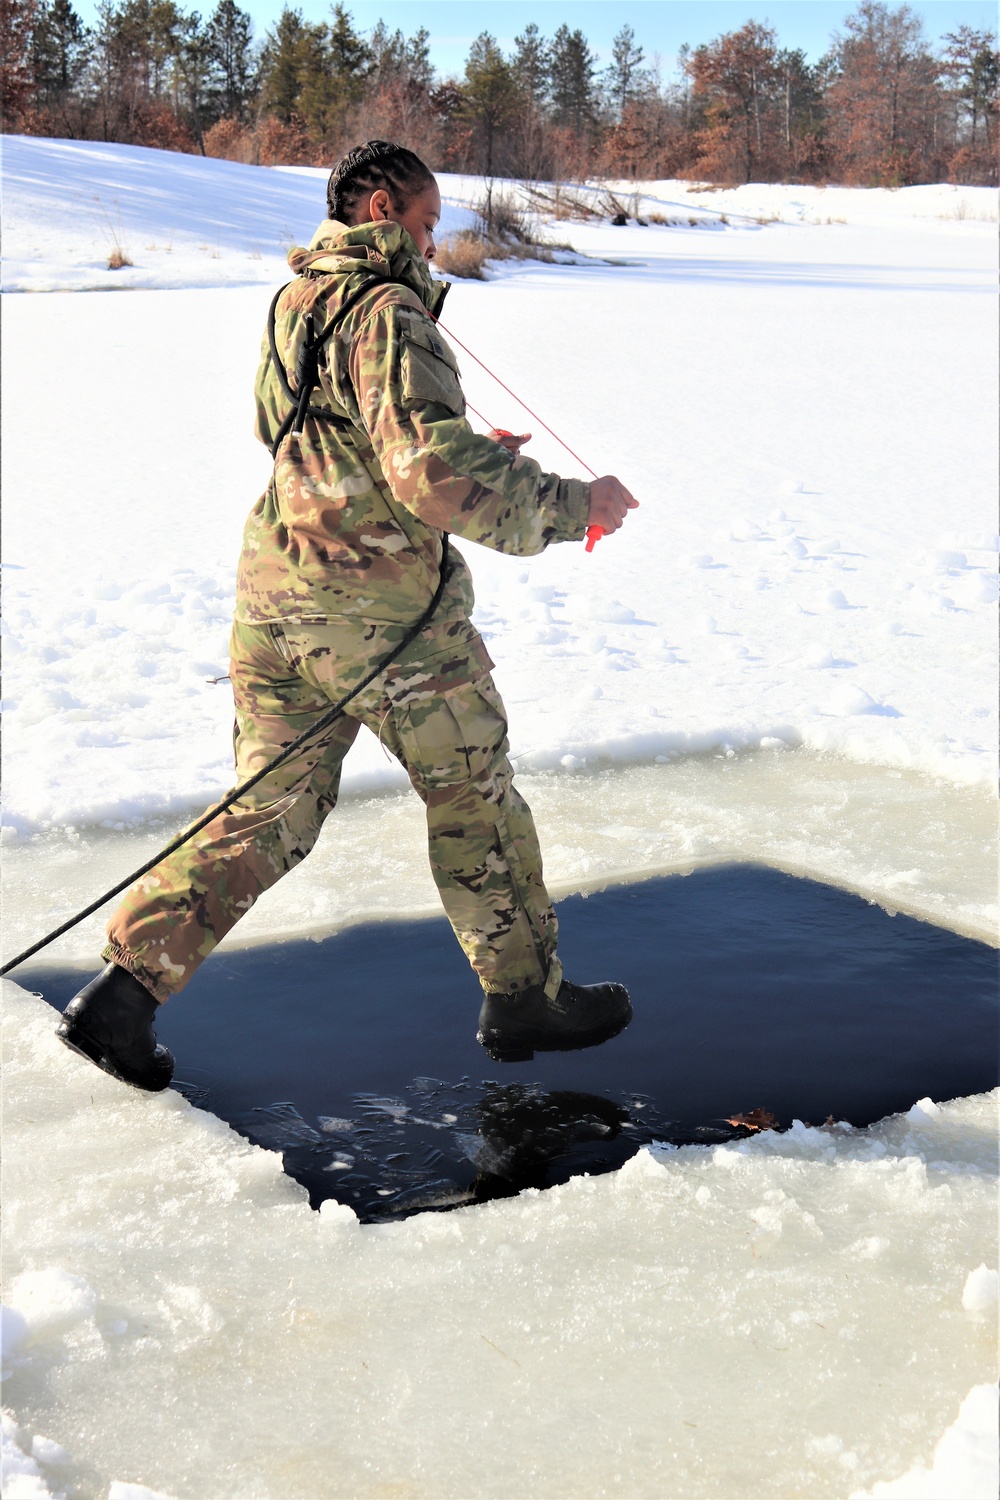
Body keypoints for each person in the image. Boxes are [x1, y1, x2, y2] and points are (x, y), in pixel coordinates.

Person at [57, 140, 639, 1094]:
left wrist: (429, 443)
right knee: (473, 792)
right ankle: (525, 996)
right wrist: (578, 504)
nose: (433, 236)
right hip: (381, 621)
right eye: (421, 219)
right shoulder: (390, 310)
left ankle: (125, 994)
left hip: (278, 601)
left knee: (272, 806)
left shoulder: (295, 298)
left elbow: (310, 431)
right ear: (378, 208)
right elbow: (433, 477)